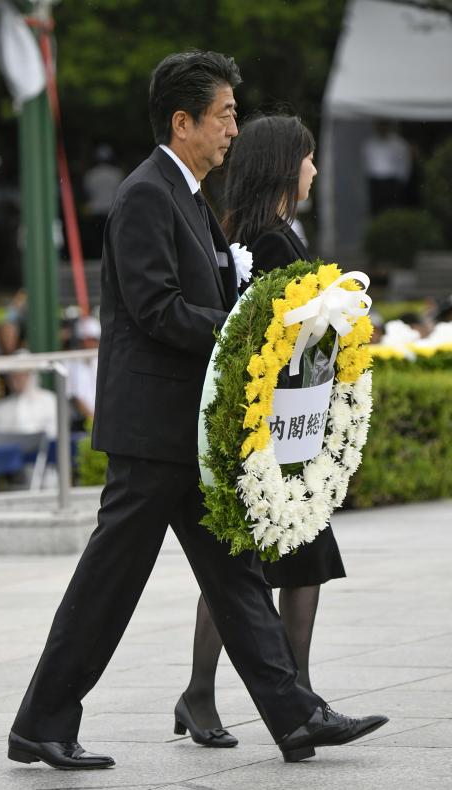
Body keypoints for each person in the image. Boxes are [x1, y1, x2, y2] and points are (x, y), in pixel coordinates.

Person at [7, 51, 387, 771]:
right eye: (225, 117)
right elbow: (155, 309)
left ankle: (295, 714)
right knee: (108, 584)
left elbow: (205, 303)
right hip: (152, 434)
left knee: (236, 573)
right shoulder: (148, 194)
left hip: (187, 431)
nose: (233, 132)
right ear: (183, 122)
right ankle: (41, 722)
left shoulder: (187, 197)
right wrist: (253, 334)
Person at [177, 114, 347, 746]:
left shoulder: (261, 232)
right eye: (308, 157)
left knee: (260, 565)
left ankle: (226, 695)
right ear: (285, 165)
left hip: (280, 427)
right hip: (275, 433)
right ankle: (295, 701)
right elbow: (280, 334)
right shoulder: (270, 240)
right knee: (269, 563)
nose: (314, 169)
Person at [362, 121, 412, 215]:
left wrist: (401, 182)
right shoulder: (370, 143)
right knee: (376, 210)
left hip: (392, 181)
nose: (382, 128)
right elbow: (367, 163)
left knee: (393, 209)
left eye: (384, 125)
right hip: (375, 181)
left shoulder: (398, 143)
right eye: (379, 125)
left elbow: (404, 164)